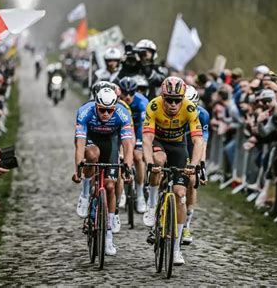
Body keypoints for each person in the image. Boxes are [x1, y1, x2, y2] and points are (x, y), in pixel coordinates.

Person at [142, 76, 203, 265]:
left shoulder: (190, 108)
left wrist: (193, 165)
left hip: (178, 146)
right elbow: (147, 140)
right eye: (169, 99)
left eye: (177, 100)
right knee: (158, 160)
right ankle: (152, 206)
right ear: (163, 97)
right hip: (159, 143)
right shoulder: (154, 106)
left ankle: (176, 249)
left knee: (180, 193)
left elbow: (198, 141)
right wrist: (149, 162)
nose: (173, 104)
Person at [72, 87, 134, 256]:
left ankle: (108, 236)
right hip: (91, 138)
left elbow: (128, 144)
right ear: (96, 105)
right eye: (102, 110)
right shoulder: (85, 111)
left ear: (115, 107)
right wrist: (78, 168)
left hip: (110, 141)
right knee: (92, 154)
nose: (106, 114)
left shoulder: (122, 113)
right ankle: (85, 194)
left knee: (110, 185)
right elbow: (79, 144)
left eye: (109, 111)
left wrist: (128, 166)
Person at [182, 85, 209, 245]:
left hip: (191, 143)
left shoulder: (203, 115)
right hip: (174, 141)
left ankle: (186, 225)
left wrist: (202, 165)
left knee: (192, 181)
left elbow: (202, 143)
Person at [118, 76, 149, 213]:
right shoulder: (117, 102)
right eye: (125, 93)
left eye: (131, 93)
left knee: (137, 157)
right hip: (122, 128)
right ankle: (121, 191)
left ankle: (140, 193)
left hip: (138, 128)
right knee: (120, 156)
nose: (128, 97)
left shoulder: (142, 102)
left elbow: (143, 126)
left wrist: (138, 143)